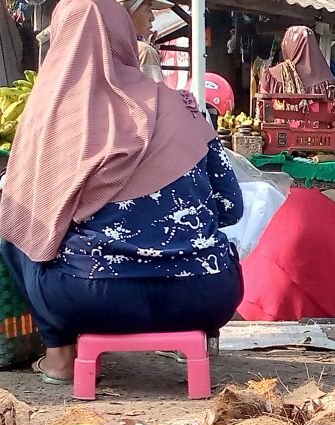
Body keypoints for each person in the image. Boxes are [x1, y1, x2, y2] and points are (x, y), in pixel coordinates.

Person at [0, 0, 244, 384]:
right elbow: (232, 207)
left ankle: (60, 355)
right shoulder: (181, 104)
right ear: (123, 35)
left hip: (91, 299)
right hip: (207, 294)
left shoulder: (50, 114)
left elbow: (26, 213)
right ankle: (199, 345)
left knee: (17, 230)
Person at [239, 24, 335, 322]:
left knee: (275, 231)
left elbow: (262, 117)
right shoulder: (329, 80)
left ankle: (272, 304)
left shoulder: (273, 75)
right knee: (327, 241)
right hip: (326, 175)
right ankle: (332, 306)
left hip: (286, 173)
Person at [118, 0, 169, 82]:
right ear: (126, 14)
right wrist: (149, 55)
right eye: (147, 9)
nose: (152, 17)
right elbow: (155, 93)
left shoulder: (104, 47)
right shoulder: (144, 51)